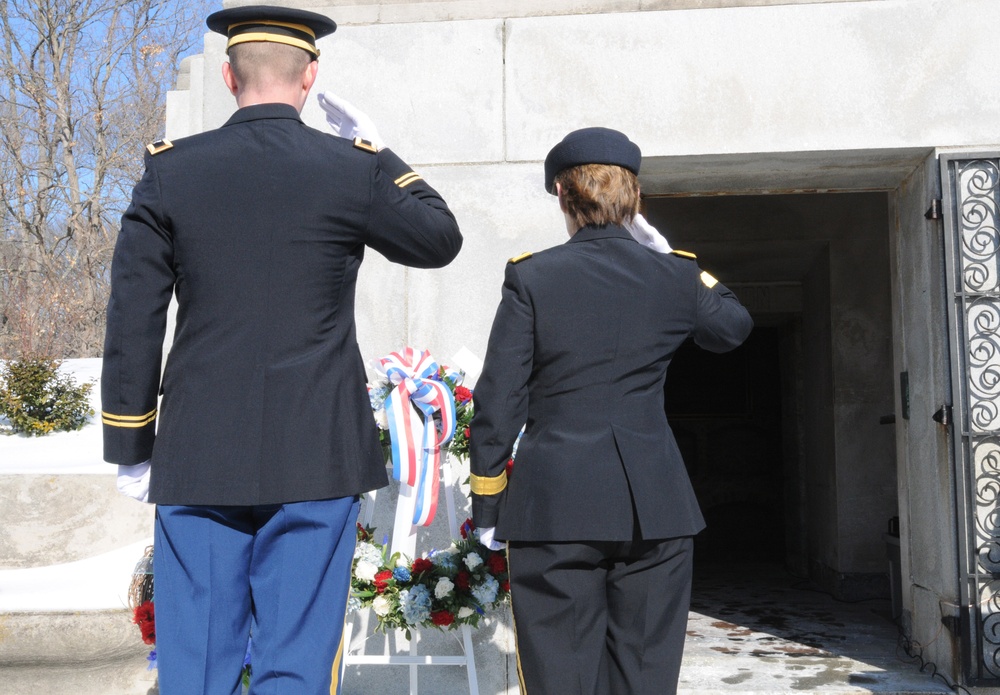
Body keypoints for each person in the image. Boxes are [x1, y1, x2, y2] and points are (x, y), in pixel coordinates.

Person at [101, 6, 462, 694]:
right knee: (294, 665)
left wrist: (130, 441)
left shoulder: (173, 172)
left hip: (199, 452)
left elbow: (134, 315)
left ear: (230, 76)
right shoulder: (350, 171)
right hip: (315, 451)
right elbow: (438, 237)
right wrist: (378, 155)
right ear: (311, 75)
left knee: (196, 668)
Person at [469, 127, 752, 695]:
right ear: (636, 198)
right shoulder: (674, 274)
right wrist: (668, 254)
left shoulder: (532, 276)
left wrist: (489, 502)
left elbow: (500, 396)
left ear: (562, 195)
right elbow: (732, 325)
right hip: (655, 506)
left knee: (561, 678)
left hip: (556, 505)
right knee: (644, 678)